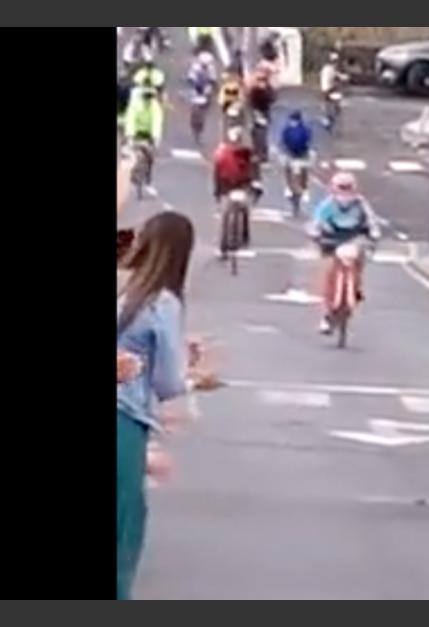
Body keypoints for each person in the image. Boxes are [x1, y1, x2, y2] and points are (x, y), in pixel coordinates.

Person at [117, 211, 195, 600]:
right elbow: (168, 381)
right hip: (124, 419)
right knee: (124, 524)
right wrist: (191, 371)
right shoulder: (163, 303)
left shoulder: (125, 292)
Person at [308, 171, 381, 334]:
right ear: (333, 188)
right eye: (341, 188)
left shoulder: (361, 204)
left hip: (354, 240)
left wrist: (374, 233)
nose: (345, 193)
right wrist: (315, 232)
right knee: (329, 271)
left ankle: (355, 288)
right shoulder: (328, 205)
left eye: (348, 188)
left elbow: (371, 220)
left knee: (358, 261)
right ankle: (328, 312)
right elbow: (317, 221)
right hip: (331, 240)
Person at [213, 126, 259, 249]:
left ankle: (225, 241)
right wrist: (254, 187)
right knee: (243, 212)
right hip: (239, 188)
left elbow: (217, 174)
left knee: (227, 214)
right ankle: (244, 238)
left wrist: (217, 191)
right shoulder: (246, 153)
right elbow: (254, 171)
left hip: (227, 189)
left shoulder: (221, 152)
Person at [123, 87, 164, 195]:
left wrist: (156, 137)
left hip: (149, 134)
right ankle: (134, 174)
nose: (148, 99)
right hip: (136, 133)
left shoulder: (155, 106)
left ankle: (148, 178)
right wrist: (130, 136)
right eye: (146, 96)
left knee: (150, 156)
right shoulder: (135, 105)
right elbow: (130, 120)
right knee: (132, 155)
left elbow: (157, 122)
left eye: (150, 96)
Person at [280, 110, 314, 200]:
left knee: (300, 171)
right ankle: (293, 189)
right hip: (297, 152)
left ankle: (301, 189)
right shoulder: (303, 129)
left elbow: (283, 141)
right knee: (293, 170)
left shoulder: (291, 129)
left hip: (298, 152)